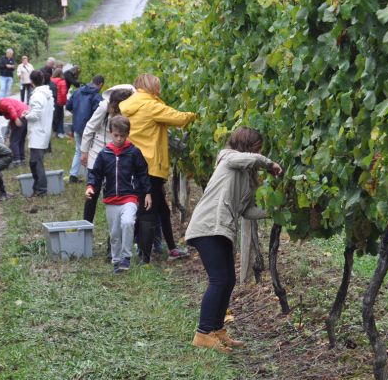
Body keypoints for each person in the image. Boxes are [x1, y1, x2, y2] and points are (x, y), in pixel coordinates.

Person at [184, 127, 283, 353]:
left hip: (222, 228)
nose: (259, 151)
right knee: (219, 280)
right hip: (207, 226)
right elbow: (251, 159)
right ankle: (202, 333)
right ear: (246, 146)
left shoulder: (246, 177)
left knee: (227, 280)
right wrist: (270, 164)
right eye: (256, 147)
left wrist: (277, 211)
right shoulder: (229, 158)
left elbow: (248, 211)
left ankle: (217, 330)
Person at [119, 74, 196, 261]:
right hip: (150, 166)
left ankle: (170, 248)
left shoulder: (130, 105)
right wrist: (197, 116)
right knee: (148, 211)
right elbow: (178, 118)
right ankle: (144, 257)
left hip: (132, 163)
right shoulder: (150, 105)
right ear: (151, 86)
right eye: (157, 86)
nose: (159, 90)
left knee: (160, 209)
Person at [86, 116, 151, 274]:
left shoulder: (134, 152)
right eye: (116, 135)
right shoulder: (104, 154)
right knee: (114, 233)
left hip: (129, 197)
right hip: (111, 199)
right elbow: (96, 174)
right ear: (110, 133)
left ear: (128, 134)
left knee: (128, 223)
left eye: (123, 135)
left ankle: (126, 257)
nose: (119, 139)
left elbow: (143, 173)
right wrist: (90, 186)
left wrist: (148, 192)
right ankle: (116, 261)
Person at [79, 84, 136, 223]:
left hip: (117, 156)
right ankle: (86, 225)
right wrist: (84, 151)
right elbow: (90, 127)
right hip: (98, 153)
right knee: (92, 192)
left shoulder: (129, 110)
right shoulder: (104, 107)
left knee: (113, 193)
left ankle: (114, 232)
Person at [66, 75, 104, 183]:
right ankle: (90, 179)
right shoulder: (97, 96)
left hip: (77, 126)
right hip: (90, 129)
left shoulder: (78, 91)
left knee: (79, 150)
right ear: (100, 85)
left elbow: (68, 106)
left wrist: (77, 113)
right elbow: (99, 113)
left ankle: (73, 176)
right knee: (91, 152)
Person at [22, 70, 54, 196]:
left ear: (31, 81)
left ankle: (41, 190)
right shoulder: (48, 94)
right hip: (44, 130)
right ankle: (37, 187)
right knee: (34, 162)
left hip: (37, 133)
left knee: (36, 163)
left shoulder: (36, 96)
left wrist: (26, 115)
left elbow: (35, 115)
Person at [0, 97, 29, 165]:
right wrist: (12, 125)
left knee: (14, 141)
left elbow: (10, 108)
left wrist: (16, 119)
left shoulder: (2, 103)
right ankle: (21, 159)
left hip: (20, 116)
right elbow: (11, 117)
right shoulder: (2, 104)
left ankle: (17, 160)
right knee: (20, 140)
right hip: (25, 114)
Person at [51, 68, 68, 138]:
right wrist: (65, 102)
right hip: (59, 102)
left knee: (54, 116)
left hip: (51, 101)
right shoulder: (62, 82)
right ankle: (60, 132)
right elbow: (63, 93)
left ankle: (54, 131)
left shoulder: (51, 80)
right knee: (60, 117)